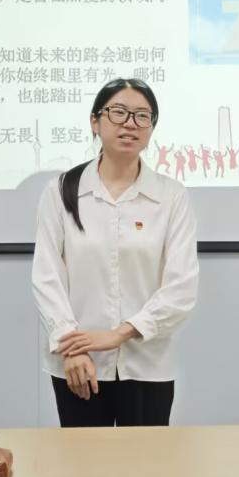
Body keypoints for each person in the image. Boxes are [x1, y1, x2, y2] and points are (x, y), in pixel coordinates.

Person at [32, 79, 199, 427]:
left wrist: (119, 333)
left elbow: (181, 288)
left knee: (145, 461)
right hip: (79, 364)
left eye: (142, 116)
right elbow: (47, 277)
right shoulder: (61, 191)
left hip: (147, 364)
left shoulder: (171, 196)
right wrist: (71, 347)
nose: (130, 124)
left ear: (152, 128)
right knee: (82, 460)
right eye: (118, 113)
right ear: (95, 121)